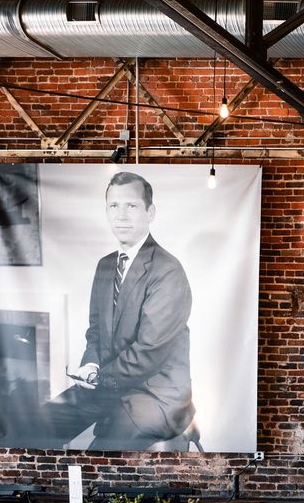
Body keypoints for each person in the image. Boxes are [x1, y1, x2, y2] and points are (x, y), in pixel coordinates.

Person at [39, 171, 196, 449]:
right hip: (109, 383)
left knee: (100, 455)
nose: (121, 215)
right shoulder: (105, 265)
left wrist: (99, 377)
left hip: (155, 394)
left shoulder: (168, 270)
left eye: (131, 206)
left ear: (150, 212)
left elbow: (148, 352)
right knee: (38, 424)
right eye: (114, 206)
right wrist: (90, 364)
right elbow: (96, 331)